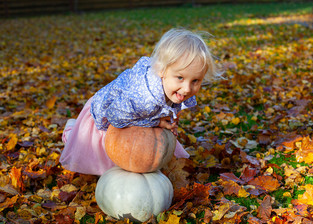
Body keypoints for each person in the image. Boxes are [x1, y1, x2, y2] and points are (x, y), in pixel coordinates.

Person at [59, 28, 221, 175]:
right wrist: (156, 121)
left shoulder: (176, 89)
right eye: (180, 78)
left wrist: (169, 121)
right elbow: (114, 116)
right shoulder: (145, 99)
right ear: (162, 70)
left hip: (130, 110)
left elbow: (170, 108)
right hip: (107, 115)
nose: (187, 89)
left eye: (195, 81)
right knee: (103, 160)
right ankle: (72, 133)